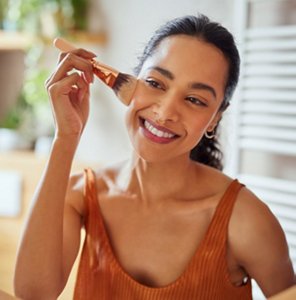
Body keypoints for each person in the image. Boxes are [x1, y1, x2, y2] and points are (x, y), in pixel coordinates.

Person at [14, 14, 295, 300]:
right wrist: (66, 138)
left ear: (214, 119)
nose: (165, 113)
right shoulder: (80, 195)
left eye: (195, 100)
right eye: (155, 83)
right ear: (132, 83)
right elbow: (33, 294)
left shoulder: (246, 220)